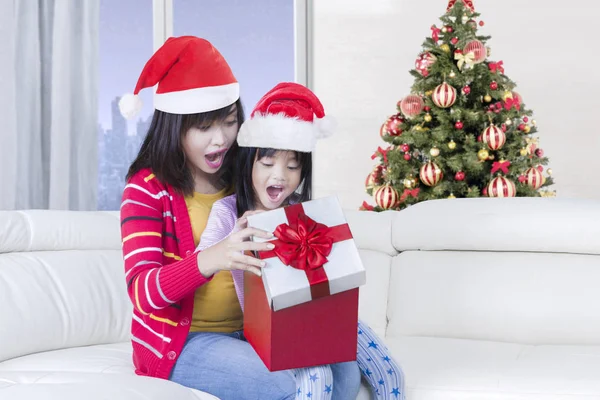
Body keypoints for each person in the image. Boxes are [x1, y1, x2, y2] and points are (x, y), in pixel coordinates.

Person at [118, 36, 358, 400]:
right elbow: (143, 293)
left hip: (259, 328)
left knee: (344, 373)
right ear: (174, 128)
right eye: (203, 128)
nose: (220, 140)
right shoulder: (147, 189)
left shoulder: (245, 173)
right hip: (184, 341)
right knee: (286, 384)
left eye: (229, 123)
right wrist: (213, 257)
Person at [197, 82, 406, 400]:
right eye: (267, 164)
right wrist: (233, 240)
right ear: (249, 163)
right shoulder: (228, 211)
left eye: (292, 166)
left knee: (377, 369)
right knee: (317, 376)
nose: (280, 176)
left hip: (312, 317)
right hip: (263, 328)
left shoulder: (302, 212)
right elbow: (202, 259)